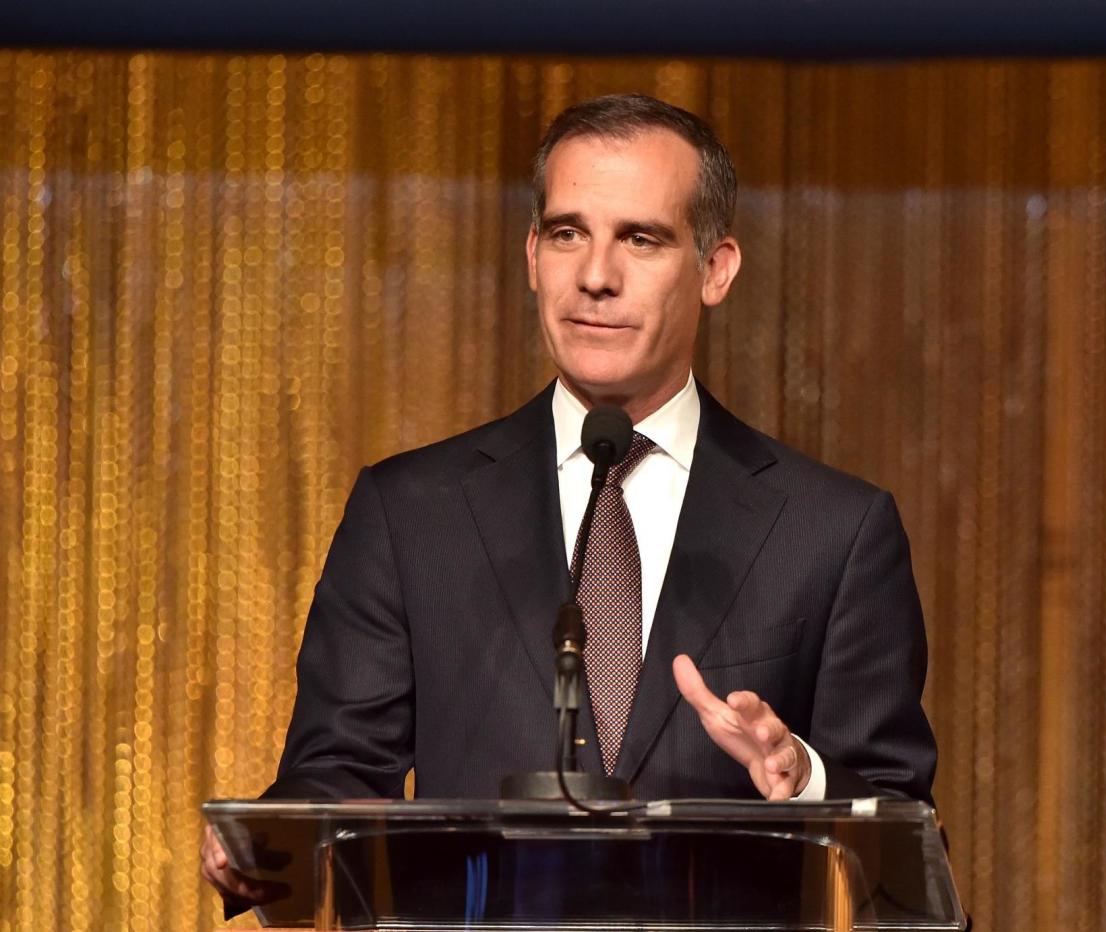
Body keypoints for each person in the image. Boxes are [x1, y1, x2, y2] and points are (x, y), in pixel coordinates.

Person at [202, 93, 936, 909]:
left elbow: (901, 824)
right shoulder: (411, 512)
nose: (594, 275)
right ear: (531, 257)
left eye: (642, 238)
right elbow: (333, 777)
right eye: (567, 233)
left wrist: (802, 778)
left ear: (716, 269)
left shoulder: (833, 529)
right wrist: (267, 835)